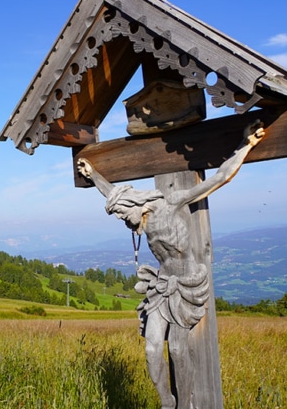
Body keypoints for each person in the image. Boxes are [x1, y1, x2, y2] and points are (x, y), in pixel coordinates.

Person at [77, 121, 264, 409]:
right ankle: (167, 402)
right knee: (152, 349)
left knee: (177, 349)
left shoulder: (171, 203)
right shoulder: (139, 217)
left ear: (136, 204)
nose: (122, 220)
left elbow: (218, 179)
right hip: (161, 287)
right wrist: (94, 176)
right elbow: (112, 192)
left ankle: (185, 403)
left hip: (187, 285)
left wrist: (246, 144)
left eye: (122, 214)